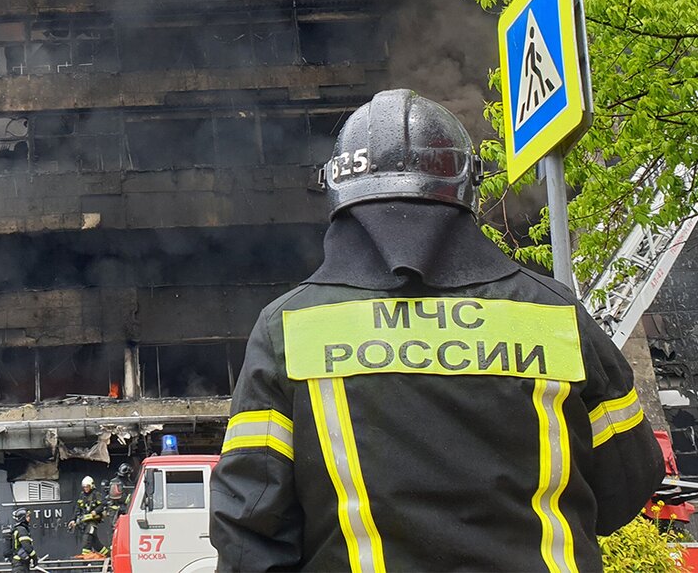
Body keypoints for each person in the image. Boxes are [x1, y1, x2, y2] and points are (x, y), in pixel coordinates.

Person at [208, 89, 666, 572]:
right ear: (468, 184)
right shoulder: (553, 313)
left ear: (337, 190)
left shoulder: (288, 328)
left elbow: (251, 526)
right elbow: (628, 483)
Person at [68, 476, 108, 558]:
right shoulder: (82, 495)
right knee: (95, 542)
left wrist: (95, 511)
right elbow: (77, 508)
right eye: (84, 487)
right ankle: (108, 554)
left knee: (87, 537)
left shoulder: (96, 494)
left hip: (92, 521)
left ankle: (86, 556)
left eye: (87, 487)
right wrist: (73, 520)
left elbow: (102, 505)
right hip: (84, 521)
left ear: (91, 486)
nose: (86, 488)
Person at [9, 507, 38, 573]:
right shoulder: (22, 530)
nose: (29, 518)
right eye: (27, 516)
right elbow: (26, 546)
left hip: (19, 564)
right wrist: (34, 558)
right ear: (22, 518)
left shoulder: (18, 529)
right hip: (20, 564)